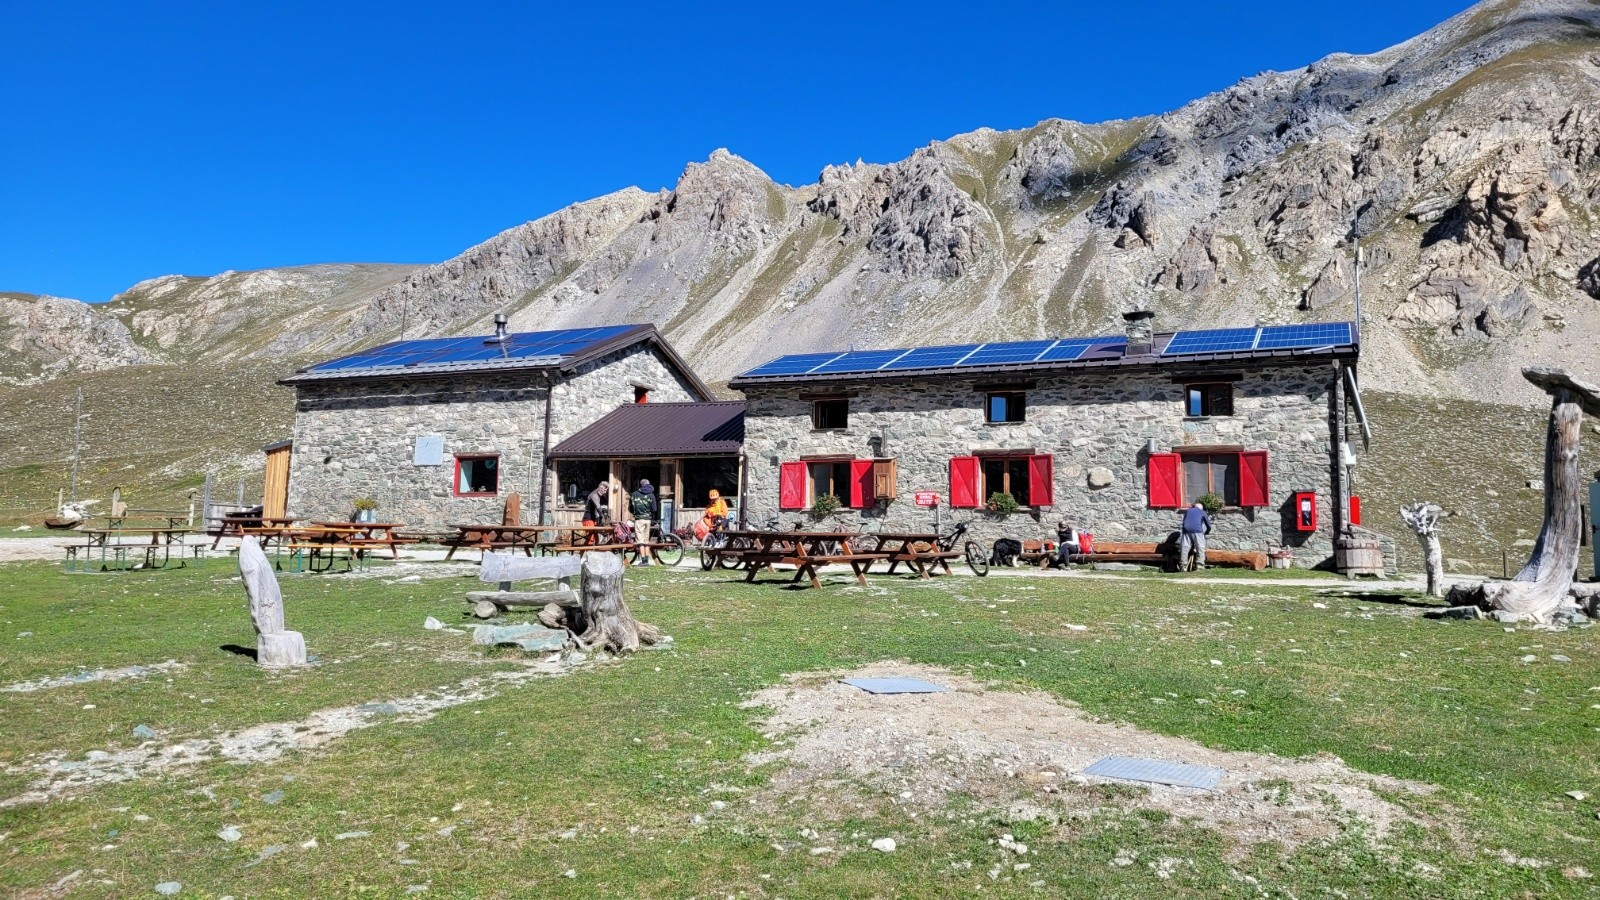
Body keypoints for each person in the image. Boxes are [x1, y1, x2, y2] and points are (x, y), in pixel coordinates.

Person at [629, 479, 659, 564]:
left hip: (638, 519)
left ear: (641, 485)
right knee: (646, 540)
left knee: (640, 540)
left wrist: (636, 512)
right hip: (648, 520)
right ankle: (647, 560)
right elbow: (654, 509)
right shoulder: (651, 495)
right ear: (648, 484)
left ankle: (643, 561)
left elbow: (630, 508)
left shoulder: (634, 494)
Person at [1179, 501, 1213, 570]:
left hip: (1186, 530)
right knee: (1200, 547)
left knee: (1185, 548)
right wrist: (1207, 532)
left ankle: (1183, 566)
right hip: (1197, 530)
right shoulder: (1202, 512)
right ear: (1201, 508)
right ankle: (1199, 566)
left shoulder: (1188, 511)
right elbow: (1208, 525)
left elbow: (1185, 521)